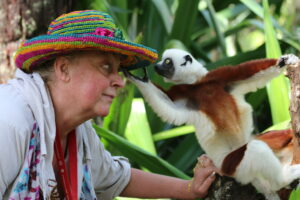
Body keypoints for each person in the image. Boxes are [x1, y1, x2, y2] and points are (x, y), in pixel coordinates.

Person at [0, 10, 218, 199]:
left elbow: (116, 177)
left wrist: (190, 188)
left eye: (119, 70)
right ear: (64, 69)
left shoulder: (77, 131)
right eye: (106, 67)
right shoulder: (10, 120)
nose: (120, 81)